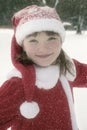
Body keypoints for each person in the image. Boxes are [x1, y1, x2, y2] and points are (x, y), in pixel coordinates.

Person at [0, 4, 87, 130]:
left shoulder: (68, 68)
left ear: (61, 41)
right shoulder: (17, 85)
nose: (43, 48)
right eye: (33, 41)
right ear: (22, 46)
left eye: (51, 38)